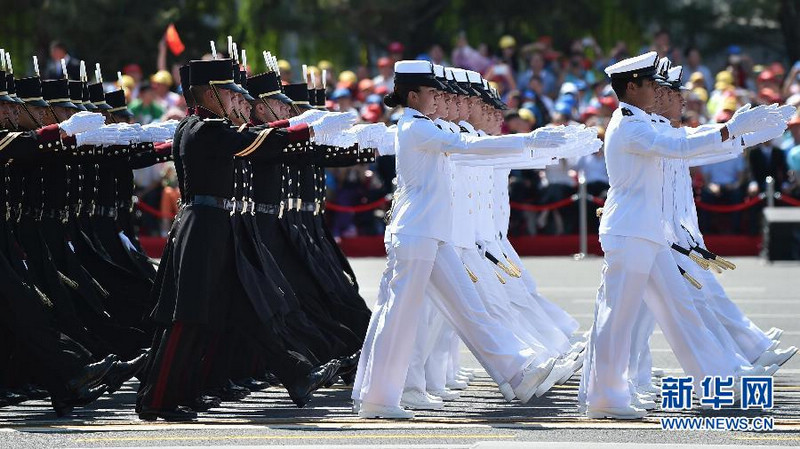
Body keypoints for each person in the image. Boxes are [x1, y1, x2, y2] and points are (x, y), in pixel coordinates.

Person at [581, 51, 788, 420]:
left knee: (682, 312)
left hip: (649, 234)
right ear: (632, 87)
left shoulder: (645, 123)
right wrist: (734, 129)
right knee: (618, 318)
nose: (658, 93)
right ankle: (605, 397)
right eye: (651, 85)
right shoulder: (630, 125)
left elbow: (689, 143)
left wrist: (746, 137)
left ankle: (720, 380)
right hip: (631, 233)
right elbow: (679, 147)